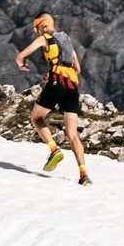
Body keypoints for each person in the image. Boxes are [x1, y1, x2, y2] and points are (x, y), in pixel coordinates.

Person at [17, 14, 92, 185]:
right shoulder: (66, 40)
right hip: (72, 86)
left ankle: (54, 149)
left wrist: (21, 63)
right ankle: (83, 174)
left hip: (57, 83)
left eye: (37, 29)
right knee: (72, 134)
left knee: (36, 118)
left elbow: (20, 55)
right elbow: (77, 69)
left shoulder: (45, 38)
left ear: (41, 26)